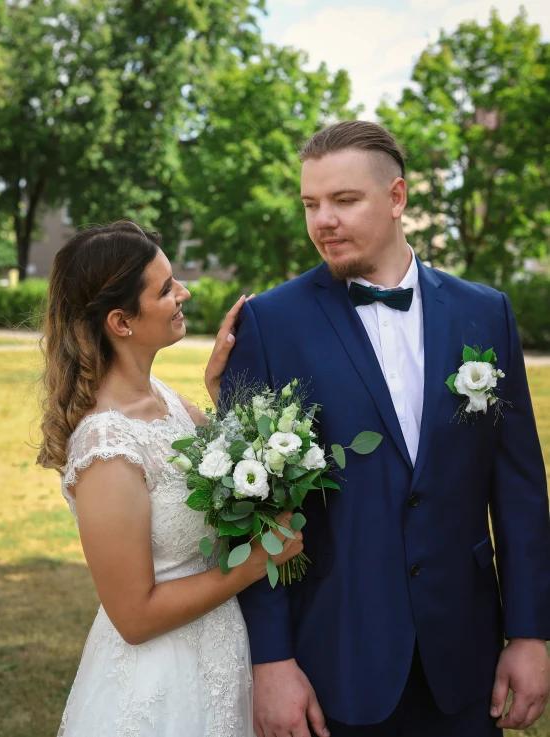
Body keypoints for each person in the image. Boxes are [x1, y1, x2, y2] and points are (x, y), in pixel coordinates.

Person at [223, 120, 550, 737]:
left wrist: (530, 633)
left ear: (397, 198)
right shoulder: (269, 322)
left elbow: (520, 493)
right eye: (311, 204)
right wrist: (271, 659)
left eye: (344, 200)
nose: (323, 220)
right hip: (333, 661)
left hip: (465, 657)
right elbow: (249, 509)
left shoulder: (487, 311)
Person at [37, 220, 303, 737]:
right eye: (164, 289)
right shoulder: (106, 446)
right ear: (121, 321)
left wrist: (216, 386)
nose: (183, 293)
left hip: (222, 657)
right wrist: (258, 561)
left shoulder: (163, 397)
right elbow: (134, 617)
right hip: (161, 684)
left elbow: (229, 474)